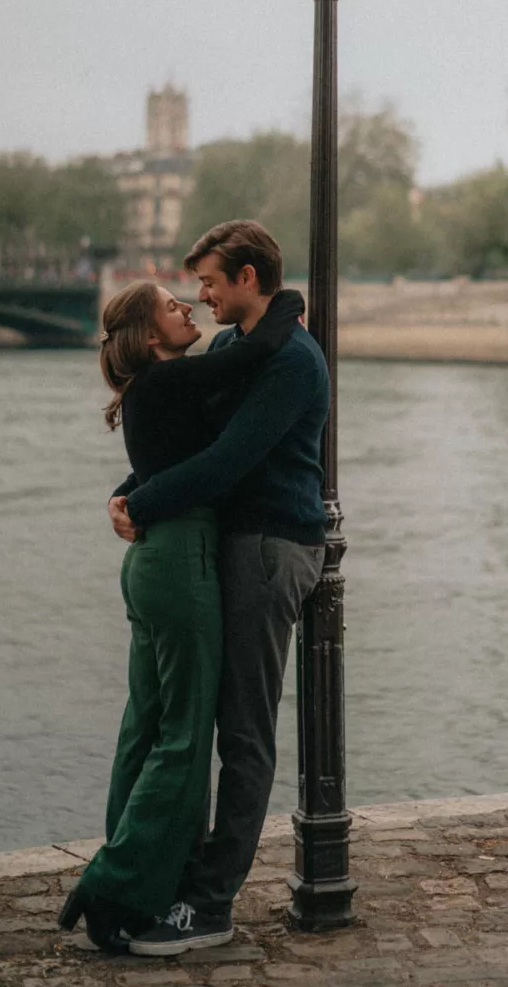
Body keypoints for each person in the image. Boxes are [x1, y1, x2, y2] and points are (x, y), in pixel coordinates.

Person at [58, 277, 303, 953]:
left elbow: (169, 458)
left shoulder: (153, 392)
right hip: (180, 558)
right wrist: (288, 302)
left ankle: (142, 884)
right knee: (186, 736)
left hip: (150, 563)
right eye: (172, 305)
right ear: (149, 335)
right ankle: (114, 880)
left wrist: (127, 497)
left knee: (145, 726)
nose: (187, 306)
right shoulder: (169, 382)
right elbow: (248, 360)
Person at [111, 220, 329, 959]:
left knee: (241, 730)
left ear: (246, 278)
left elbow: (230, 460)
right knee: (199, 719)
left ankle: (210, 905)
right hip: (230, 543)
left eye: (208, 281)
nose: (199, 297)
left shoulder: (293, 360)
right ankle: (179, 877)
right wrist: (127, 489)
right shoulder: (236, 347)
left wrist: (139, 505)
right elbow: (187, 440)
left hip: (271, 547)